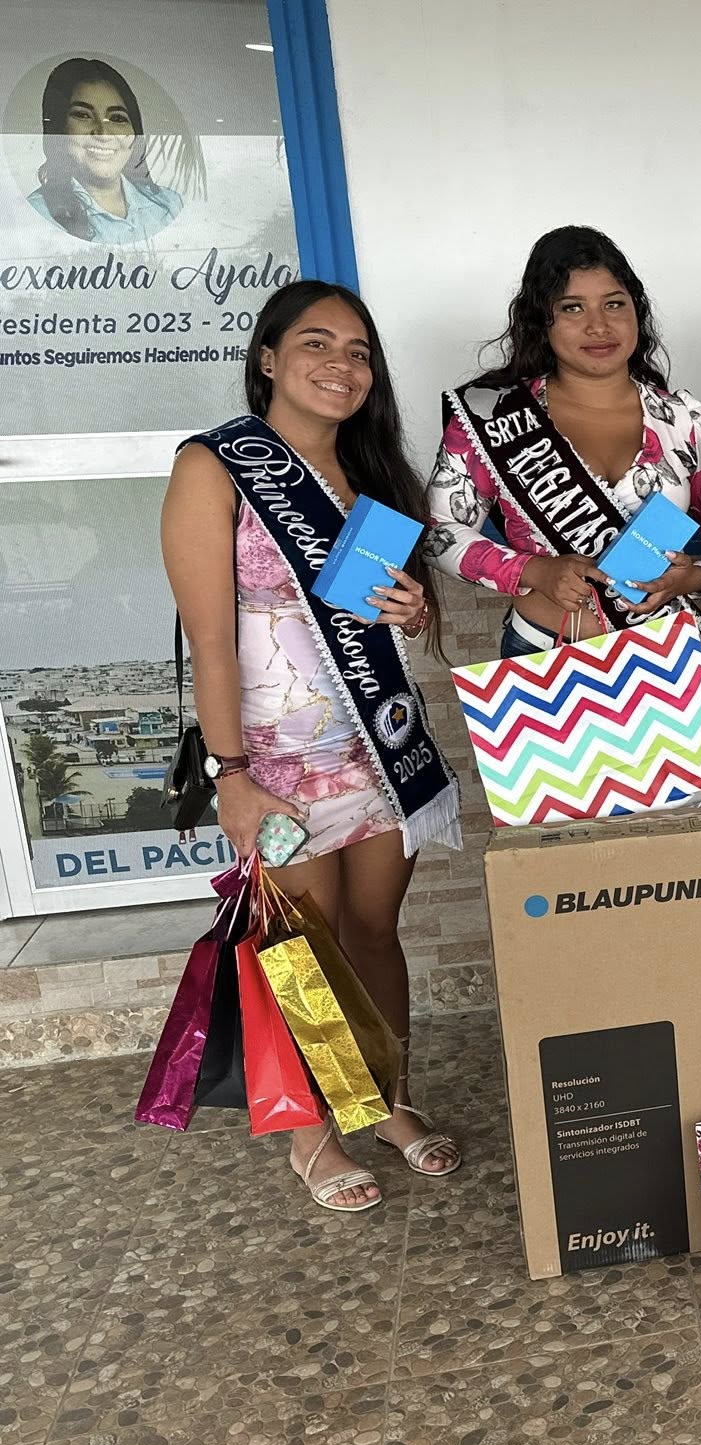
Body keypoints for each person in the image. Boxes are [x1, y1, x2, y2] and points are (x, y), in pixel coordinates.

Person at [161, 281, 463, 1213]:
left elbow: (376, 623)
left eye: (359, 352)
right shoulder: (216, 465)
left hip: (378, 754)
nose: (341, 365)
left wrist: (412, 609)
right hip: (275, 766)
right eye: (317, 344)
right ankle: (313, 1133)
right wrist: (233, 776)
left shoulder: (371, 477)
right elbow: (211, 640)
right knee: (302, 949)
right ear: (268, 357)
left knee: (374, 933)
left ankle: (388, 1099)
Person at [425, 226, 701, 668]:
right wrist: (534, 571)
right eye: (572, 307)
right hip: (539, 652)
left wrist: (691, 578)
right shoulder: (493, 414)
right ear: (540, 320)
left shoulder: (684, 420)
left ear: (636, 311)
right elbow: (439, 532)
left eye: (614, 304)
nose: (598, 325)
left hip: (664, 657)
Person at [27, 58, 183, 244]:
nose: (103, 133)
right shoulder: (34, 213)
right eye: (83, 115)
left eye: (117, 118)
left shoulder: (170, 205)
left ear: (135, 134)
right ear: (59, 129)